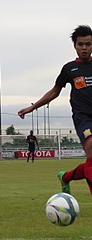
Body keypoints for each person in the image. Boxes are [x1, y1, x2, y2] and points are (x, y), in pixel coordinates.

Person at [18, 25, 92, 194]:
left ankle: (65, 177)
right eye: (81, 44)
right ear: (75, 45)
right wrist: (33, 107)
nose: (84, 48)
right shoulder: (69, 69)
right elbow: (55, 91)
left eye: (88, 44)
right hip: (83, 118)